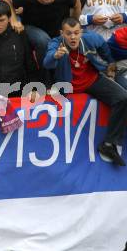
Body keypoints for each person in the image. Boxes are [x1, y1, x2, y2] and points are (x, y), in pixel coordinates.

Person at [44, 17, 127, 166]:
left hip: (92, 81)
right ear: (62, 33)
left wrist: (109, 65)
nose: (73, 37)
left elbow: (104, 49)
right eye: (68, 33)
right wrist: (55, 56)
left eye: (76, 33)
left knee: (122, 98)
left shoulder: (91, 38)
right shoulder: (56, 44)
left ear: (81, 32)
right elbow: (47, 62)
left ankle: (108, 144)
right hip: (67, 87)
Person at [5, 0, 81, 85]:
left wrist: (73, 23)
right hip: (32, 29)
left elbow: (77, 3)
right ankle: (46, 82)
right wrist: (14, 19)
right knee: (44, 40)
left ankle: (66, 83)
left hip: (57, 30)